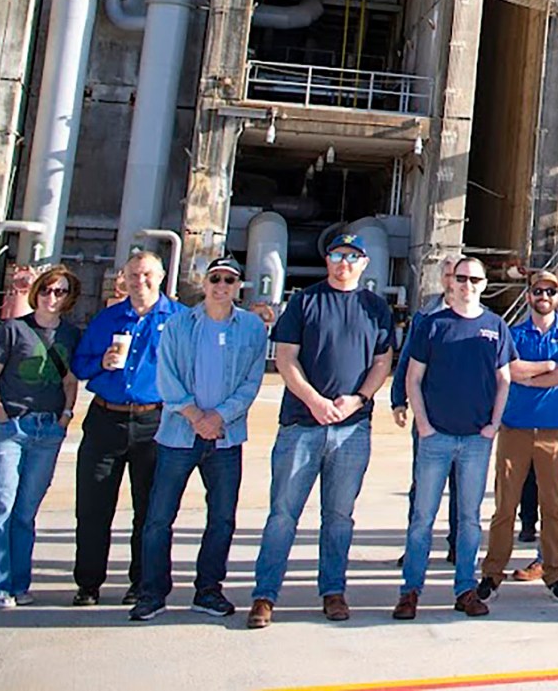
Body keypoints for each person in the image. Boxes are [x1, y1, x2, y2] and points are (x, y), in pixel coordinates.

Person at [250, 235, 395, 629]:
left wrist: (359, 399)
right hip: (302, 424)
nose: (343, 263)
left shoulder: (375, 308)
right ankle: (265, 595)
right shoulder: (305, 301)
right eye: (336, 256)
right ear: (327, 260)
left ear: (364, 263)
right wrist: (315, 400)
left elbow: (383, 361)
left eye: (351, 257)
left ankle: (333, 591)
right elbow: (286, 357)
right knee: (283, 513)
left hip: (351, 429)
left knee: (339, 516)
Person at [130, 256, 266, 621]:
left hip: (225, 437)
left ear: (238, 286)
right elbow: (167, 376)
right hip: (178, 436)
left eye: (229, 280)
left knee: (222, 518)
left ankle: (208, 590)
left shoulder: (252, 328)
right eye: (215, 279)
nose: (221, 286)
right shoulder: (178, 325)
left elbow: (252, 381)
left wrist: (219, 417)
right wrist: (195, 417)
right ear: (204, 284)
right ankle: (152, 592)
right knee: (159, 517)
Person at [396, 257, 514, 620]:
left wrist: (494, 424)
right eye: (461, 278)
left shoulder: (495, 326)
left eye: (474, 279)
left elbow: (504, 379)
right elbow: (412, 377)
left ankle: (465, 588)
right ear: (451, 282)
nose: (467, 285)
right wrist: (424, 425)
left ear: (483, 284)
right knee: (422, 518)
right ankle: (410, 590)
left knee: (469, 519)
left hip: (476, 440)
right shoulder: (431, 325)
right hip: (436, 438)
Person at [67, 250, 180, 607]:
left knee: (149, 509)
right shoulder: (107, 319)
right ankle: (88, 582)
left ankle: (142, 581)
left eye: (147, 275)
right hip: (106, 420)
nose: (139, 281)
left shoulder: (179, 320)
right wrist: (101, 361)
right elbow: (81, 367)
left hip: (154, 422)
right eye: (133, 275)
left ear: (161, 277)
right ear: (123, 278)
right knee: (93, 506)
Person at [0, 264, 83, 609]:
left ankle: (18, 583)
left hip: (47, 430)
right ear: (37, 292)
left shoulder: (71, 335)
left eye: (61, 291)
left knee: (24, 512)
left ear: (69, 298)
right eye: (48, 289)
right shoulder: (12, 330)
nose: (53, 297)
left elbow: (69, 381)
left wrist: (66, 415)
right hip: (10, 428)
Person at [477, 270, 558, 603]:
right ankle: (492, 573)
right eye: (538, 291)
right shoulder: (513, 332)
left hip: (553, 431)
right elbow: (510, 370)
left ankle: (554, 572)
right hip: (515, 428)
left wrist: (531, 376)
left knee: (552, 506)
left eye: (551, 291)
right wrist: (546, 365)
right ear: (528, 296)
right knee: (505, 505)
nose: (544, 296)